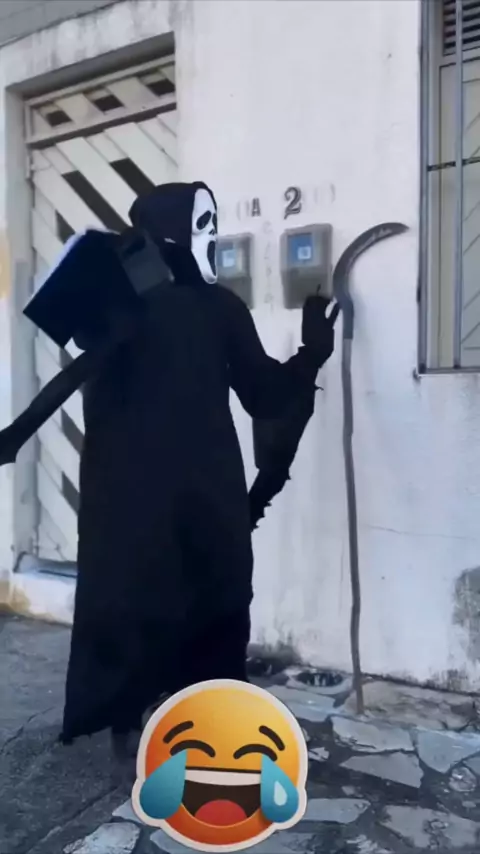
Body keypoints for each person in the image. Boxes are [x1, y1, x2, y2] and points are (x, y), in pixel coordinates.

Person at [60, 181, 337, 758]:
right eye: (204, 226)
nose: (214, 239)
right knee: (211, 603)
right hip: (200, 496)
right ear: (172, 234)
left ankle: (131, 734)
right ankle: (208, 732)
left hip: (127, 500)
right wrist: (311, 352)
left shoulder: (111, 307)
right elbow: (266, 396)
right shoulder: (215, 308)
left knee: (132, 601)